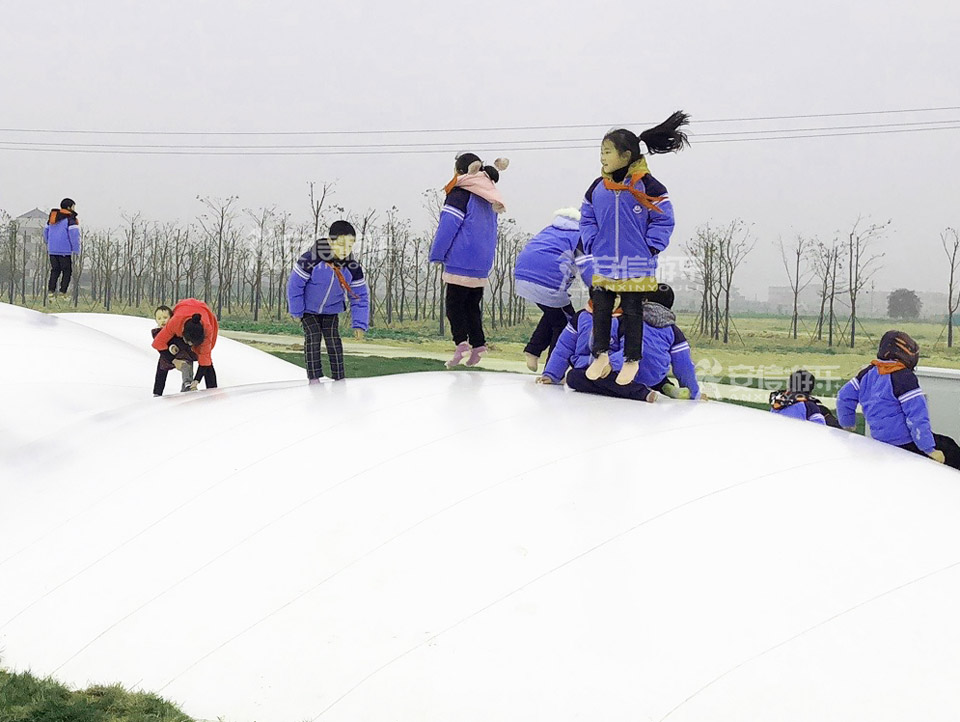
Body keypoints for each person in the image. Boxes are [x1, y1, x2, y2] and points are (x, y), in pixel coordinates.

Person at [580, 112, 690, 385]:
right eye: (601, 152)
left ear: (626, 155)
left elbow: (664, 218)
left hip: (637, 261)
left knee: (632, 311)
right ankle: (601, 355)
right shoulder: (598, 187)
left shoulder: (648, 186)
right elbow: (586, 216)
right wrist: (592, 240)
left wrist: (652, 245)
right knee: (601, 308)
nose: (603, 158)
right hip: (605, 260)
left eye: (607, 152)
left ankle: (632, 359)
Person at [429, 153, 510, 368]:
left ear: (460, 171)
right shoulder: (488, 196)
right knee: (472, 307)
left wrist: (436, 254)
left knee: (454, 307)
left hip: (460, 261)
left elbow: (448, 227)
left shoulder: (460, 194)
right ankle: (478, 344)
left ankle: (461, 343)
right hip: (481, 265)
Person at [836, 330, 960, 468]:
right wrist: (929, 449)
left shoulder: (868, 372)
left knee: (946, 442)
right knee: (951, 450)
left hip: (880, 439)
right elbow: (917, 417)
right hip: (905, 442)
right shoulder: (904, 377)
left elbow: (844, 397)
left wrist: (847, 424)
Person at [287, 220, 369, 382]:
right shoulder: (310, 259)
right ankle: (314, 378)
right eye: (341, 244)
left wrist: (360, 323)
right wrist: (296, 311)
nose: (345, 250)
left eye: (350, 246)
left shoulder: (352, 267)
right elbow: (294, 286)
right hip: (308, 309)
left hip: (331, 309)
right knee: (314, 336)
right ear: (330, 241)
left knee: (333, 340)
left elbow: (359, 296)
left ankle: (339, 378)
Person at [514, 208, 593, 372]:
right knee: (566, 323)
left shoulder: (553, 227)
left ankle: (533, 351)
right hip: (547, 282)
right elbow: (587, 265)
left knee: (554, 314)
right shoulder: (583, 235)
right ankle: (552, 370)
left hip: (523, 275)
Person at [537, 302, 657, 403]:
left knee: (614, 380)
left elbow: (632, 349)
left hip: (612, 371)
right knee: (572, 377)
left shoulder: (626, 320)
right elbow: (564, 347)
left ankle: (640, 392)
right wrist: (551, 375)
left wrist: (611, 365)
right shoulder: (581, 317)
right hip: (585, 370)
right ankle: (616, 390)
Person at [151, 298, 219, 390]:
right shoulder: (175, 322)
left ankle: (213, 390)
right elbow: (158, 343)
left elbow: (205, 358)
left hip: (205, 313)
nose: (190, 345)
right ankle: (157, 392)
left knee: (207, 360)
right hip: (182, 310)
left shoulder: (208, 329)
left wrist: (196, 380)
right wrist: (174, 361)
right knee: (164, 359)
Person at [151, 305, 197, 396]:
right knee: (161, 372)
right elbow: (160, 344)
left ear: (171, 318)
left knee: (187, 366)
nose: (162, 320)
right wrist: (171, 347)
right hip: (166, 356)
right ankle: (157, 392)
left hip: (181, 354)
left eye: (165, 317)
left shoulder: (175, 329)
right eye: (159, 318)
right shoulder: (157, 332)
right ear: (156, 320)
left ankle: (187, 385)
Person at [769, 369, 840, 427]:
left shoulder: (776, 403)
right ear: (811, 390)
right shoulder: (810, 406)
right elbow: (820, 430)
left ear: (789, 386)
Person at [43, 198, 81, 299]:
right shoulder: (70, 220)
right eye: (73, 206)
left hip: (52, 250)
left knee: (55, 270)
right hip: (64, 250)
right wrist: (76, 250)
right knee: (67, 271)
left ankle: (51, 291)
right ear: (69, 207)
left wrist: (49, 243)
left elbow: (45, 232)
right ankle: (62, 292)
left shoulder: (52, 218)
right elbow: (74, 236)